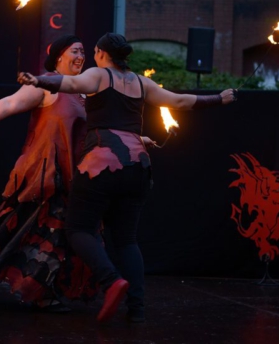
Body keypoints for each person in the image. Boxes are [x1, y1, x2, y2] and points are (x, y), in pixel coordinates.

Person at [18, 32, 236, 323]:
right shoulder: (141, 83)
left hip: (101, 163)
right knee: (126, 240)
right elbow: (181, 101)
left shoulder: (98, 75)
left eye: (93, 52)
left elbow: (69, 83)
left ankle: (111, 281)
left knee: (79, 230)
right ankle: (137, 309)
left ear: (101, 53)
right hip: (138, 167)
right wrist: (219, 98)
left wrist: (39, 80)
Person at [0, 35, 95, 312]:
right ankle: (34, 290)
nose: (81, 56)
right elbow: (10, 104)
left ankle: (42, 288)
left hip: (76, 177)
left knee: (58, 233)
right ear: (59, 56)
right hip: (46, 173)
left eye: (83, 52)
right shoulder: (46, 85)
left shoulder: (86, 92)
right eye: (75, 51)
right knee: (48, 229)